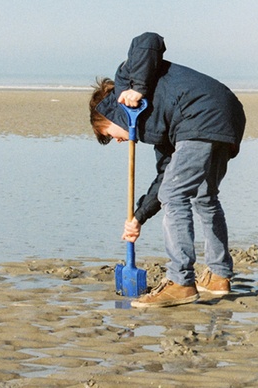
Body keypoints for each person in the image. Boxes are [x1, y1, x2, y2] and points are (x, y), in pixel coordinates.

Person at [89, 32, 246, 308]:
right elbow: (164, 175)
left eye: (110, 134)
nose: (117, 139)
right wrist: (139, 217)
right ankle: (218, 275)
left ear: (108, 115)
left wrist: (136, 87)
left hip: (200, 114)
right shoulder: (157, 128)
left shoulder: (126, 81)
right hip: (224, 115)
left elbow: (148, 40)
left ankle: (180, 282)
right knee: (203, 197)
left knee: (175, 194)